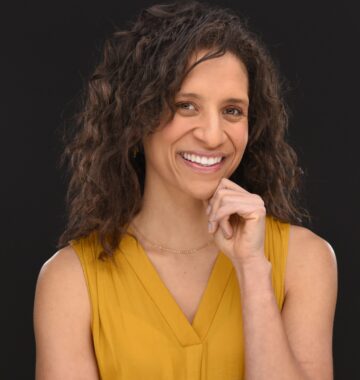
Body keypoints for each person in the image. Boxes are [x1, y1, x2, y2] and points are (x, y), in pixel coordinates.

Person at [33, 1, 337, 379]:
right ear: (137, 116)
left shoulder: (305, 261)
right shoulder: (69, 280)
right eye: (186, 105)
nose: (212, 136)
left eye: (232, 111)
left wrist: (253, 271)